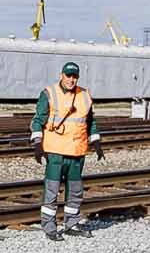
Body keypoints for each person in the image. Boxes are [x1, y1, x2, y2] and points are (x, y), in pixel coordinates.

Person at [32, 61, 102, 241]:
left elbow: (90, 121)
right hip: (55, 151)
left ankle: (72, 223)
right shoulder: (49, 93)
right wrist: (38, 144)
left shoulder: (85, 95)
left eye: (74, 76)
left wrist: (96, 142)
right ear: (61, 75)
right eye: (68, 75)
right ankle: (49, 227)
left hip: (77, 152)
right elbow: (38, 120)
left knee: (76, 191)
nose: (71, 79)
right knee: (52, 190)